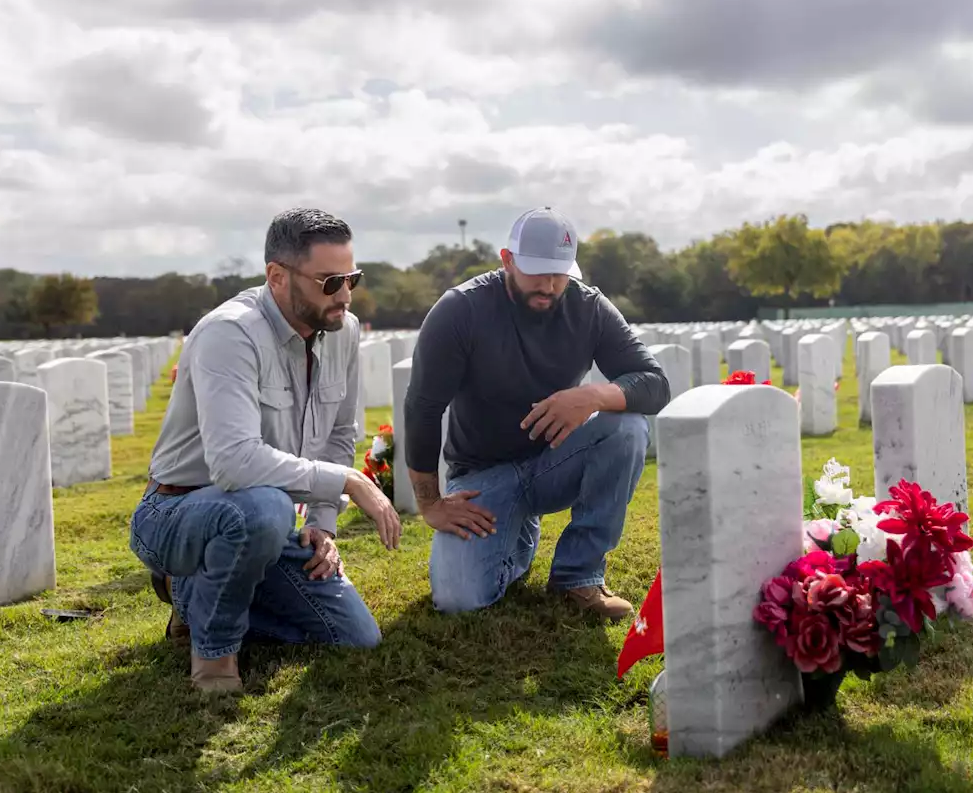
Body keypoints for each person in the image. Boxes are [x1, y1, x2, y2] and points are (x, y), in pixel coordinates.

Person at [129, 207, 402, 694]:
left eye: (352, 278)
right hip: (177, 512)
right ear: (277, 276)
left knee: (355, 636)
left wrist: (321, 522)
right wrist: (348, 480)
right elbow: (234, 463)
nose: (344, 294)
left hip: (266, 523)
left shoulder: (344, 330)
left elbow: (341, 435)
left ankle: (190, 593)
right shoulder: (229, 334)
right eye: (330, 281)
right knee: (263, 504)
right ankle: (213, 654)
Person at [404, 206, 671, 618]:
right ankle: (517, 535)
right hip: (480, 475)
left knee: (627, 427)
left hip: (554, 461)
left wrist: (593, 396)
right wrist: (431, 504)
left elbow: (655, 383)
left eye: (560, 273)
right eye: (537, 272)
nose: (549, 285)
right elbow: (422, 407)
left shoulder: (589, 307)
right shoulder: (461, 310)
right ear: (506, 259)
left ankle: (578, 576)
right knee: (458, 601)